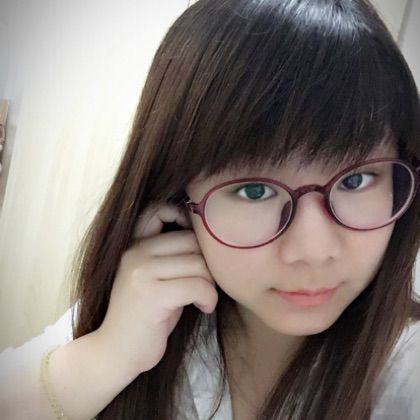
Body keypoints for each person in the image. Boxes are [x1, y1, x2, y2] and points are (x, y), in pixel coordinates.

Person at [1, 0, 419, 419]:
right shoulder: (150, 305)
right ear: (177, 197)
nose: (313, 251)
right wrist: (109, 355)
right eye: (254, 190)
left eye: (355, 180)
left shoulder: (406, 369)